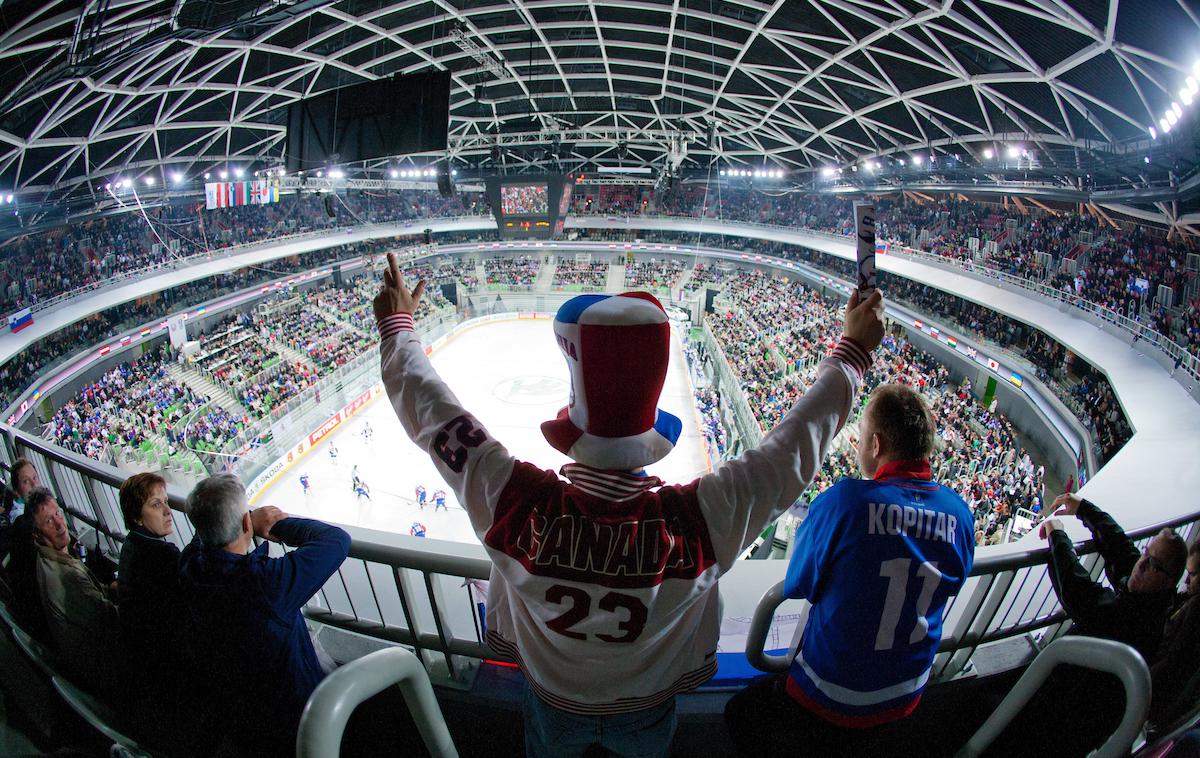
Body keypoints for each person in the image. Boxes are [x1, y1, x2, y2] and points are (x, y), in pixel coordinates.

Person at [373, 251, 884, 757]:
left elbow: (433, 414)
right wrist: (851, 356)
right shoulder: (702, 517)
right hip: (646, 708)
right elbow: (791, 451)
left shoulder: (511, 498)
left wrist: (398, 328)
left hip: (552, 703)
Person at [723, 384, 974, 756]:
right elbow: (953, 582)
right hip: (909, 691)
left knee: (739, 713)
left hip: (829, 695)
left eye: (859, 437)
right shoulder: (960, 514)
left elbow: (799, 583)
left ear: (875, 445)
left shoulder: (844, 503)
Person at [178, 474, 351, 756]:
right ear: (246, 523)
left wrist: (243, 521)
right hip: (299, 715)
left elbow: (203, 538)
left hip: (245, 715)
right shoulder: (265, 585)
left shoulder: (190, 567)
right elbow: (336, 540)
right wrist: (276, 524)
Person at [1040, 492, 1184, 660]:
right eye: (1146, 553)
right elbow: (1121, 548)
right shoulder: (1154, 597)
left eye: (1154, 564)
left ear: (1168, 582)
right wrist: (1083, 508)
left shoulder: (1140, 621)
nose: (1142, 564)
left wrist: (1057, 536)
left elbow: (1080, 594)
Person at [28, 487, 121, 696]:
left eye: (58, 514)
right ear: (37, 533)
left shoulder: (44, 557)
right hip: (104, 670)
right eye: (48, 522)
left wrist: (110, 589)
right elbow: (113, 620)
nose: (61, 525)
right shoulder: (66, 575)